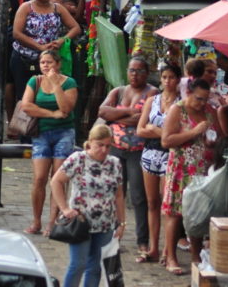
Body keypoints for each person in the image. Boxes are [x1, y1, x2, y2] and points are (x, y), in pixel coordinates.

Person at [97, 56, 158, 262]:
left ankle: (142, 239)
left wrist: (117, 116)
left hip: (138, 149)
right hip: (115, 148)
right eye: (132, 70)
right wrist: (129, 114)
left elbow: (142, 119)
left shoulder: (151, 93)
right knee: (114, 193)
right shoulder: (119, 91)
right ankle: (113, 236)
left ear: (147, 73)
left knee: (138, 196)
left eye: (140, 71)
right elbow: (102, 111)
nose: (135, 74)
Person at [51, 124, 126, 287]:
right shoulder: (78, 159)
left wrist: (121, 222)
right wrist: (64, 208)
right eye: (100, 145)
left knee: (95, 266)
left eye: (108, 145)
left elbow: (119, 195)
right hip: (81, 222)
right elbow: (56, 181)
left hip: (105, 223)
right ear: (91, 142)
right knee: (78, 264)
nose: (104, 150)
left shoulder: (115, 163)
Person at [161, 78, 221, 275]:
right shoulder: (178, 110)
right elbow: (166, 140)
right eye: (198, 99)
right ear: (188, 93)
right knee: (175, 214)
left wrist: (210, 142)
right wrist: (193, 132)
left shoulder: (208, 112)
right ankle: (171, 256)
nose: (202, 103)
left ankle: (196, 255)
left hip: (201, 170)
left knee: (197, 213)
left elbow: (216, 135)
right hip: (180, 169)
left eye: (205, 99)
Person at [21, 49, 78, 235]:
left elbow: (66, 108)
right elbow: (26, 106)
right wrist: (51, 114)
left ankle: (52, 222)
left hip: (64, 132)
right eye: (42, 62)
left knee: (57, 178)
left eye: (49, 62)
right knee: (39, 178)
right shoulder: (34, 81)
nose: (45, 66)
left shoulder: (69, 82)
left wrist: (56, 85)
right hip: (41, 132)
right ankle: (36, 220)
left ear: (58, 64)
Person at [136, 62, 181, 265]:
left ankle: (167, 249)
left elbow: (177, 134)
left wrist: (156, 130)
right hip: (150, 152)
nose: (167, 81)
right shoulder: (152, 100)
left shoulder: (181, 103)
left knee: (167, 203)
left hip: (171, 154)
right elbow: (140, 129)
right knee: (152, 202)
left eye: (171, 77)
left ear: (178, 80)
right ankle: (153, 247)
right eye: (164, 77)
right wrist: (161, 133)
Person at [11, 0, 81, 101]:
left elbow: (75, 28)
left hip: (48, 60)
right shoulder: (26, 7)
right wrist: (39, 47)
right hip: (24, 58)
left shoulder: (57, 8)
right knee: (25, 96)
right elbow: (17, 33)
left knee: (46, 94)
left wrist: (62, 40)